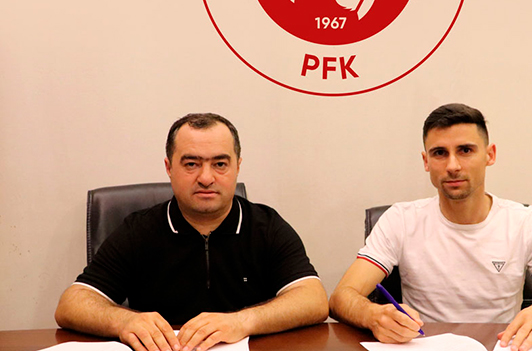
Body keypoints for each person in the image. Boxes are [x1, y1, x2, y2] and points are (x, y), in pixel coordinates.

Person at [329, 104, 532, 351]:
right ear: (426, 161)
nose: (453, 166)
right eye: (439, 153)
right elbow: (341, 297)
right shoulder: (400, 219)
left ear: (489, 155)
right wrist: (373, 314)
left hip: (502, 346)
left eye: (465, 150)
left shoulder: (525, 222)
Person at [55, 113, 328, 351]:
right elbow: (72, 304)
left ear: (237, 167)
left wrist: (242, 321)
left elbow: (313, 299)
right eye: (191, 164)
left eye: (220, 164)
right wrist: (124, 320)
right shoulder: (139, 230)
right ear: (169, 168)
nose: (206, 178)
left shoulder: (266, 226)